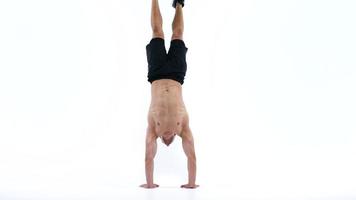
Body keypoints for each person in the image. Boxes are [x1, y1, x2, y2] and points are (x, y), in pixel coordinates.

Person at [139, 0, 199, 189]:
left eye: (163, 140)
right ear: (174, 137)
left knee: (157, 32)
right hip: (176, 75)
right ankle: (179, 4)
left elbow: (148, 157)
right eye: (169, 139)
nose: (166, 137)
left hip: (156, 74)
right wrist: (191, 183)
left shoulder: (152, 130)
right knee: (178, 35)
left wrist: (149, 184)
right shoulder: (184, 128)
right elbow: (192, 156)